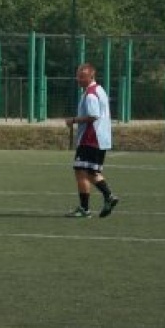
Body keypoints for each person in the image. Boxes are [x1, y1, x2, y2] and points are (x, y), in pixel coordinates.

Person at [65, 62, 119, 218]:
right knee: (91, 171)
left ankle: (87, 207)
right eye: (78, 76)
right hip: (101, 138)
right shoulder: (100, 90)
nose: (79, 79)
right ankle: (107, 197)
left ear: (91, 76)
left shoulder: (90, 94)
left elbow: (93, 116)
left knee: (80, 171)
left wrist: (73, 120)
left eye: (82, 77)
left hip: (91, 138)